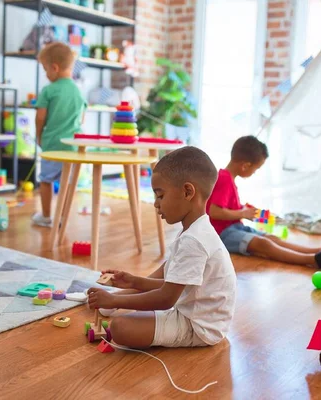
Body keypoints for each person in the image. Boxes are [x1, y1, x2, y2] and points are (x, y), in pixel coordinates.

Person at [87, 147, 236, 349]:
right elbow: (169, 283)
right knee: (130, 307)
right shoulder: (195, 230)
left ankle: (115, 300)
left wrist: (113, 300)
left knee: (121, 327)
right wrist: (133, 281)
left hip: (199, 326)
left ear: (187, 192)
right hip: (191, 309)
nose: (156, 204)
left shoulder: (194, 241)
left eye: (160, 196)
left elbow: (166, 297)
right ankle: (116, 298)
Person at [207, 136, 321, 268]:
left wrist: (244, 209)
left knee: (271, 238)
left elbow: (224, 207)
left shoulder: (227, 179)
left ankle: (320, 250)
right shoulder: (224, 179)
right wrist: (243, 213)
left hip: (234, 228)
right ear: (245, 166)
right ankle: (313, 260)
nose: (254, 173)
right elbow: (214, 212)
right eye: (255, 170)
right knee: (263, 243)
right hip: (222, 234)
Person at [32, 42, 86, 227]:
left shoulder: (49, 90)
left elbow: (40, 117)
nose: (46, 74)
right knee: (68, 184)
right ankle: (62, 217)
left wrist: (39, 135)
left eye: (46, 69)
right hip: (72, 147)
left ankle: (46, 216)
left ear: (54, 68)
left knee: (46, 181)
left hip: (52, 145)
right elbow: (82, 118)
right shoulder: (78, 91)